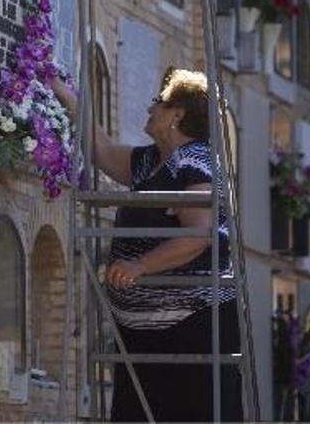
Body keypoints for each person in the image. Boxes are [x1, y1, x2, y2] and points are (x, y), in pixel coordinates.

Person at [51, 68, 243, 422]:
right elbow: (102, 149)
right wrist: (64, 94)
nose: (149, 109)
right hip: (144, 336)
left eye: (158, 102)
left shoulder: (196, 161)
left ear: (177, 114)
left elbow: (199, 234)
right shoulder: (150, 162)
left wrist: (141, 267)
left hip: (188, 331)